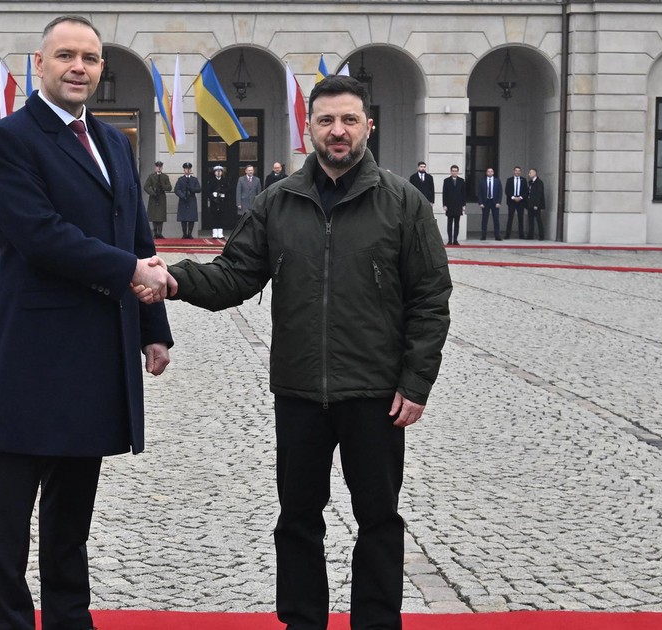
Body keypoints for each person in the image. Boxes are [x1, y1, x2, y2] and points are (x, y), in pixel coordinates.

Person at [158, 75, 451, 630]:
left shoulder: (403, 203)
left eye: (347, 120)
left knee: (379, 520)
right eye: (325, 121)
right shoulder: (278, 202)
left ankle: (376, 622)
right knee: (296, 519)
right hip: (298, 390)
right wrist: (173, 281)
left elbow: (430, 299)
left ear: (368, 125)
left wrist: (416, 384)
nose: (336, 131)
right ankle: (301, 622)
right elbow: (234, 277)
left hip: (375, 394)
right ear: (308, 128)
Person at [0, 15, 174, 630]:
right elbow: (39, 236)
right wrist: (131, 271)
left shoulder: (115, 142)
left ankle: (68, 616)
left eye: (90, 57)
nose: (79, 67)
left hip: (97, 345)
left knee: (74, 506)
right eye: (66, 56)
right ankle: (11, 619)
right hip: (35, 349)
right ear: (40, 64)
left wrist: (154, 327)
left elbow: (136, 234)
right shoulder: (7, 139)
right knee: (12, 504)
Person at [143, 160, 172, 239]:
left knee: (161, 216)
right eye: (157, 167)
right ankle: (155, 232)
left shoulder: (165, 177)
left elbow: (169, 187)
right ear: (155, 167)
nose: (158, 168)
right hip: (154, 198)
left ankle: (160, 232)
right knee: (154, 216)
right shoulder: (151, 177)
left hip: (161, 197)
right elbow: (146, 186)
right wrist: (152, 192)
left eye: (160, 167)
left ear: (162, 168)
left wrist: (162, 186)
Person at [174, 162, 201, 239]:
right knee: (184, 218)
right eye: (186, 169)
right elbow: (176, 189)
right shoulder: (180, 179)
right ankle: (184, 233)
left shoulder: (194, 179)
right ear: (184, 170)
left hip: (191, 199)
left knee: (191, 218)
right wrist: (182, 196)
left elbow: (199, 189)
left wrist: (192, 189)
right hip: (183, 200)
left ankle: (189, 233)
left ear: (190, 170)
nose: (187, 170)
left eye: (189, 169)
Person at [442, 164, 466, 245]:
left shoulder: (461, 181)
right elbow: (444, 193)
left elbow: (464, 194)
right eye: (453, 171)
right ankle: (449, 240)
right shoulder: (446, 181)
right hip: (449, 205)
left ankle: (455, 240)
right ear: (451, 171)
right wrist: (444, 205)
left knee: (457, 224)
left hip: (458, 205)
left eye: (456, 171)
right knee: (449, 223)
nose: (454, 172)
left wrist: (463, 205)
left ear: (458, 172)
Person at [477, 166, 501, 241]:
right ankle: (483, 236)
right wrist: (480, 202)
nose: (490, 172)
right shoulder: (482, 181)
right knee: (484, 220)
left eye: (491, 171)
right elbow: (479, 192)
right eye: (488, 171)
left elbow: (500, 192)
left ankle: (497, 236)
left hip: (494, 202)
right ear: (486, 173)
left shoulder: (497, 181)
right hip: (485, 202)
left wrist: (498, 202)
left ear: (493, 173)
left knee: (496, 219)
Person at [504, 166, 526, 240]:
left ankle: (521, 235)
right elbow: (507, 190)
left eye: (519, 171)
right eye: (516, 171)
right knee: (510, 218)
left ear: (520, 172)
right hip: (511, 201)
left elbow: (525, 191)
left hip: (521, 201)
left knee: (521, 218)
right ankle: (507, 234)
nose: (517, 172)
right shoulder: (509, 180)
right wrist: (513, 197)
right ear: (513, 171)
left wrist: (520, 198)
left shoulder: (524, 180)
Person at [525, 168, 545, 240]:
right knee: (530, 220)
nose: (529, 174)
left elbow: (539, 194)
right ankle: (530, 235)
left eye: (530, 173)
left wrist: (537, 204)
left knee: (538, 219)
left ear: (534, 173)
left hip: (536, 205)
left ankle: (541, 235)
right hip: (530, 204)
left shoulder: (539, 182)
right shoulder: (530, 182)